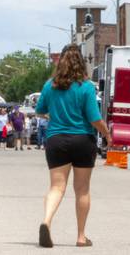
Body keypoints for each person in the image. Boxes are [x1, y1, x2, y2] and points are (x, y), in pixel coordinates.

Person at [35, 44, 112, 248]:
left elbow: (40, 110)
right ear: (81, 62)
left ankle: (46, 221)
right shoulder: (86, 87)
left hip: (56, 139)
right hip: (82, 140)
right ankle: (80, 236)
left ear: (60, 62)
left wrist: (54, 115)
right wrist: (106, 134)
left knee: (56, 187)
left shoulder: (50, 85)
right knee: (82, 190)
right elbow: (94, 119)